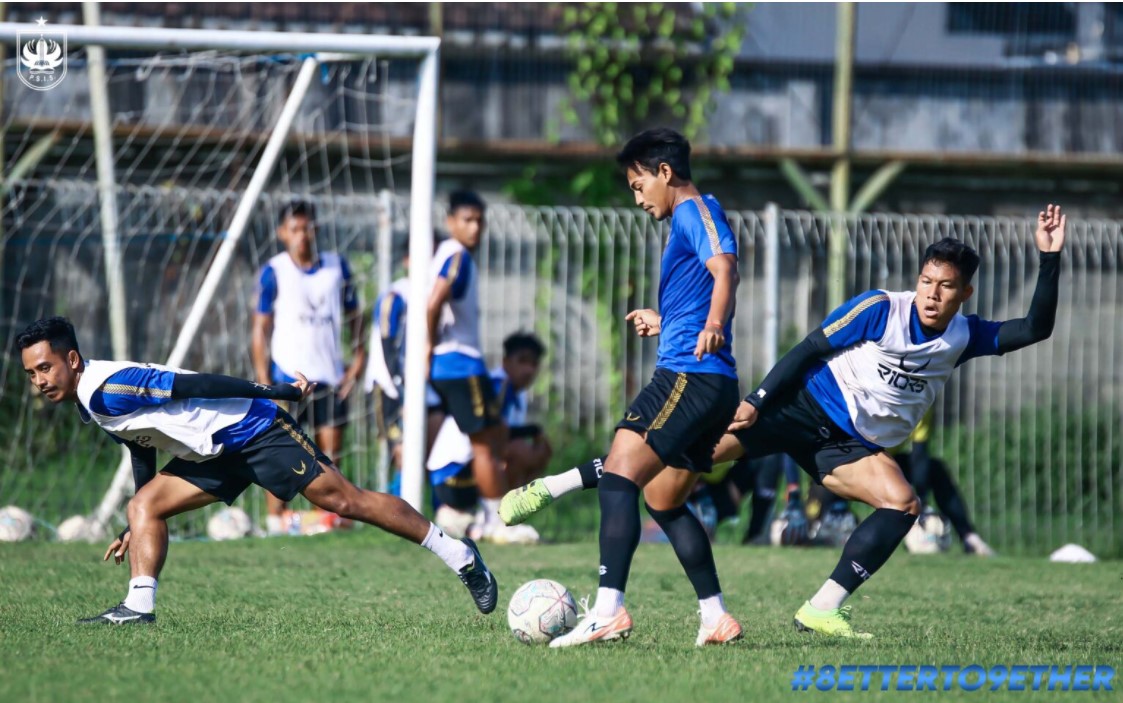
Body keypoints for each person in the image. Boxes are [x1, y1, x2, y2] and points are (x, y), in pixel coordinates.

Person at [505, 205, 1065, 639]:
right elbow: (808, 347)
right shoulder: (880, 308)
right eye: (926, 281)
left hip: (850, 445)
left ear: (965, 293)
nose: (932, 295)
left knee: (903, 504)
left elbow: (1036, 328)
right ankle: (552, 485)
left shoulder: (965, 336)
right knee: (665, 468)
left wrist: (1049, 258)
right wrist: (759, 400)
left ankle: (821, 610)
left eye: (945, 287)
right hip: (798, 407)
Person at [19, 316, 497, 624]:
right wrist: (134, 524)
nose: (40, 381)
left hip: (253, 428)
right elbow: (140, 445)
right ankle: (138, 607)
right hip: (213, 452)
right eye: (32, 374)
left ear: (72, 359)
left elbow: (194, 384)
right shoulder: (88, 399)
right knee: (143, 505)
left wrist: (276, 392)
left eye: (44, 368)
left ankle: (459, 554)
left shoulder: (112, 388)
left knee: (344, 500)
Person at [545, 128, 744, 648]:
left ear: (664, 173)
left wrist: (714, 323)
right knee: (664, 499)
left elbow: (725, 270)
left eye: (637, 186)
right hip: (708, 378)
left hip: (689, 376)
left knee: (618, 475)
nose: (637, 199)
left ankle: (608, 609)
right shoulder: (690, 216)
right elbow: (702, 285)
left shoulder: (695, 212)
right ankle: (716, 617)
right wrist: (669, 320)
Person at [251, 201, 366, 535]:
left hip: (328, 377)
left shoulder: (337, 268)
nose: (303, 235)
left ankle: (325, 520)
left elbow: (355, 317)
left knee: (329, 458)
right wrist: (263, 380)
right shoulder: (275, 271)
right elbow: (260, 327)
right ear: (282, 233)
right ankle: (276, 519)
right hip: (288, 378)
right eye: (295, 229)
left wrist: (357, 361)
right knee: (281, 452)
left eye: (308, 227)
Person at [426, 191, 509, 537]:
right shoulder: (456, 255)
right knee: (486, 444)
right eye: (467, 220)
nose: (475, 228)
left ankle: (453, 510)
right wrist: (428, 345)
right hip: (460, 363)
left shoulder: (448, 254)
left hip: (451, 364)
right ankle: (496, 520)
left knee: (485, 437)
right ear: (450, 222)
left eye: (479, 220)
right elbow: (433, 303)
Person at [428, 332, 552, 542]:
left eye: (533, 364)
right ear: (505, 362)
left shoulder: (514, 392)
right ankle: (498, 520)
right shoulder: (495, 387)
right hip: (452, 476)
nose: (528, 370)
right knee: (521, 452)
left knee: (538, 451)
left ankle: (487, 519)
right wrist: (533, 433)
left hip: (466, 472)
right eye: (522, 361)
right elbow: (494, 439)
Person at [365, 239, 446, 477]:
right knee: (402, 456)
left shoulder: (438, 295)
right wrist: (402, 390)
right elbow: (387, 343)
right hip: (390, 387)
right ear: (407, 261)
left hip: (426, 386)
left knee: (434, 453)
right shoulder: (396, 295)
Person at [891, 409, 995, 555]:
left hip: (884, 459)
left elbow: (919, 455)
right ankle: (846, 517)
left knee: (935, 469)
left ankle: (969, 537)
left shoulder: (920, 398)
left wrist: (922, 502)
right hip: (854, 457)